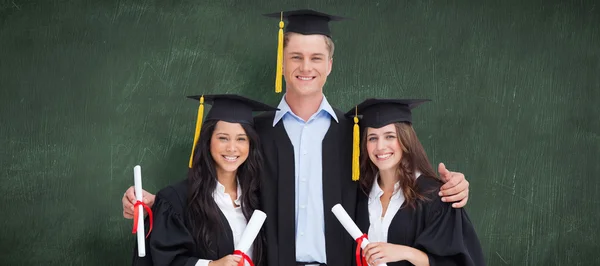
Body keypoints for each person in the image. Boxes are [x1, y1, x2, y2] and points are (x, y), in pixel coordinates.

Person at [123, 9, 472, 266]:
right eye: (296, 57)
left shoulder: (356, 135)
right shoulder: (251, 134)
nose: (307, 67)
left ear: (330, 64)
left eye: (316, 57)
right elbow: (219, 188)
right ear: (283, 60)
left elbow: (393, 181)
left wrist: (452, 187)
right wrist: (154, 205)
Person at [131, 94, 277, 266]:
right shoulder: (176, 201)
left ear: (250, 145)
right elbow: (162, 260)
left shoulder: (257, 199)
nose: (232, 148)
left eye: (241, 139)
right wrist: (210, 265)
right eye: (223, 138)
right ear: (208, 141)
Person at [345, 98, 485, 266]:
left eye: (390, 136)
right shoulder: (360, 194)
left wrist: (404, 252)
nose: (380, 146)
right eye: (372, 138)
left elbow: (457, 262)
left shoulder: (435, 196)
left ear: (406, 139)